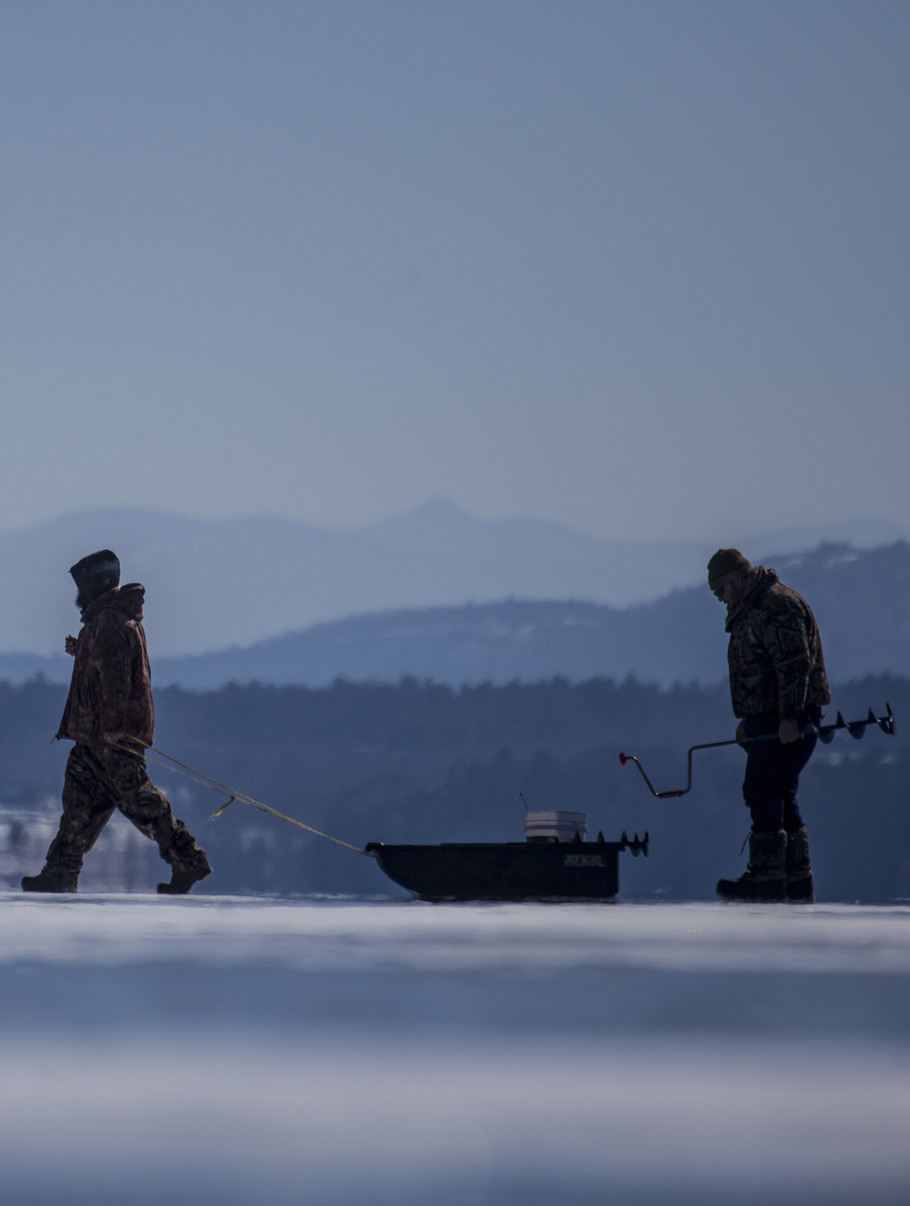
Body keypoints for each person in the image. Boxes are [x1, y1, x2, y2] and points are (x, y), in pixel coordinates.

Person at [22, 550, 212, 895]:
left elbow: (116, 681)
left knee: (141, 803)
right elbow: (110, 665)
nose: (78, 596)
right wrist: (82, 649)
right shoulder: (106, 621)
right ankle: (60, 872)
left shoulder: (109, 623)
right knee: (80, 806)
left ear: (94, 586)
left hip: (110, 739)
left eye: (81, 587)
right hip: (96, 738)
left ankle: (189, 861)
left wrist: (112, 730)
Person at [707, 548, 830, 903]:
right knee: (779, 790)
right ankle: (795, 877)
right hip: (769, 718)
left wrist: (790, 717)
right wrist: (749, 720)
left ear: (739, 579)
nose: (720, 597)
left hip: (788, 717)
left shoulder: (776, 606)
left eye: (722, 589)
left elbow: (795, 665)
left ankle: (767, 875)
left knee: (761, 788)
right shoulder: (750, 608)